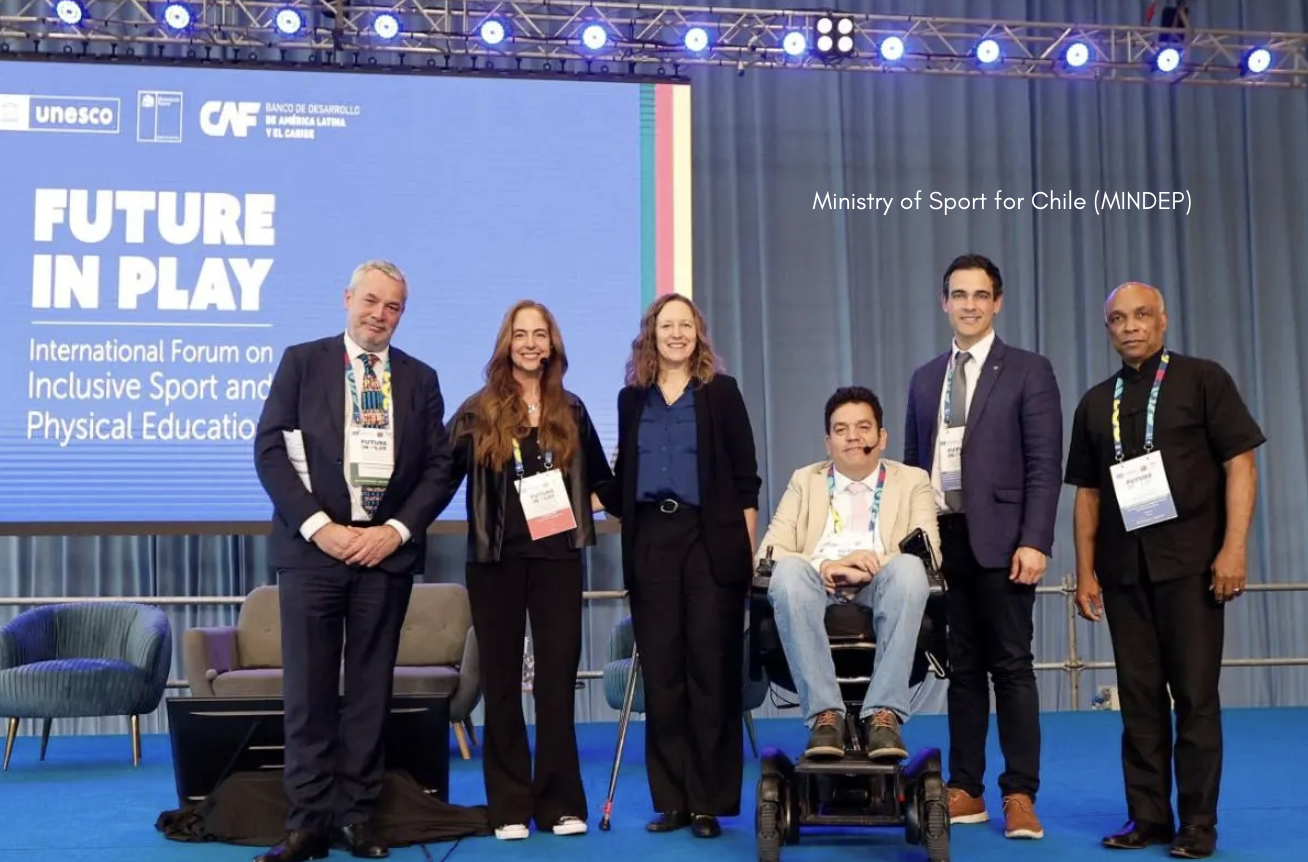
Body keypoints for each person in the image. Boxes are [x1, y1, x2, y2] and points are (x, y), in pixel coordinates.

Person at [252, 260, 454, 862]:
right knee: (308, 692)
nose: (380, 315)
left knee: (370, 692)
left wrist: (394, 532)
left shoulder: (420, 378)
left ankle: (357, 818)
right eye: (371, 301)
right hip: (313, 553)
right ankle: (307, 823)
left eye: (393, 306)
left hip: (384, 556)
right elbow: (269, 450)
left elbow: (439, 467)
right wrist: (321, 528)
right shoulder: (302, 362)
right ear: (347, 299)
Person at [1065, 282, 1263, 859]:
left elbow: (1241, 465)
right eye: (1118, 319)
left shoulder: (1204, 380)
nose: (1130, 326)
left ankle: (1198, 822)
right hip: (1124, 572)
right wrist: (1085, 572)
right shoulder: (1094, 402)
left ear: (1163, 320)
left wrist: (1234, 549)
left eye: (1141, 315)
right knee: (1139, 699)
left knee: (1195, 696)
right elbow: (1087, 495)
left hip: (1193, 565)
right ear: (1108, 328)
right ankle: (1148, 816)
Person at [903, 253, 1063, 840]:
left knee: (1012, 667)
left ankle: (1019, 793)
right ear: (944, 302)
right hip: (945, 541)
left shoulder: (1028, 370)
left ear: (997, 303)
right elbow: (913, 470)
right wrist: (915, 547)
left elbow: (1045, 465)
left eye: (980, 295)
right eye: (958, 294)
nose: (968, 305)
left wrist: (1035, 540)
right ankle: (966, 789)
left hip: (1005, 541)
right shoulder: (925, 378)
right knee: (963, 669)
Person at [442, 300, 615, 841]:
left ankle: (560, 803)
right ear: (507, 343)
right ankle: (510, 806)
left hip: (557, 560)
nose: (531, 344)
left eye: (540, 334)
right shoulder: (477, 411)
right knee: (500, 683)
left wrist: (587, 505)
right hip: (495, 561)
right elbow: (437, 475)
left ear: (553, 345)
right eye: (521, 334)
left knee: (556, 683)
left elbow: (604, 484)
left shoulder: (572, 409)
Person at [599, 293, 761, 839]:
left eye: (685, 325)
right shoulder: (631, 399)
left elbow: (746, 480)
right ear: (651, 334)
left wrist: (744, 555)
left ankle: (709, 802)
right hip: (651, 541)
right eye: (666, 325)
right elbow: (620, 483)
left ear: (698, 333)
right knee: (663, 674)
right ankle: (672, 801)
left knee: (710, 673)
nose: (676, 334)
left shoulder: (721, 392)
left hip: (709, 540)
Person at [758, 386, 940, 761]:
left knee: (910, 568)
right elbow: (769, 554)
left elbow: (929, 552)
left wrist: (869, 566)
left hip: (881, 582)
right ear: (828, 442)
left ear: (882, 437)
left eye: (863, 427)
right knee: (788, 572)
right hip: (818, 585)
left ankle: (884, 714)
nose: (853, 437)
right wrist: (826, 565)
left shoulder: (912, 480)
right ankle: (825, 716)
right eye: (841, 430)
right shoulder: (805, 480)